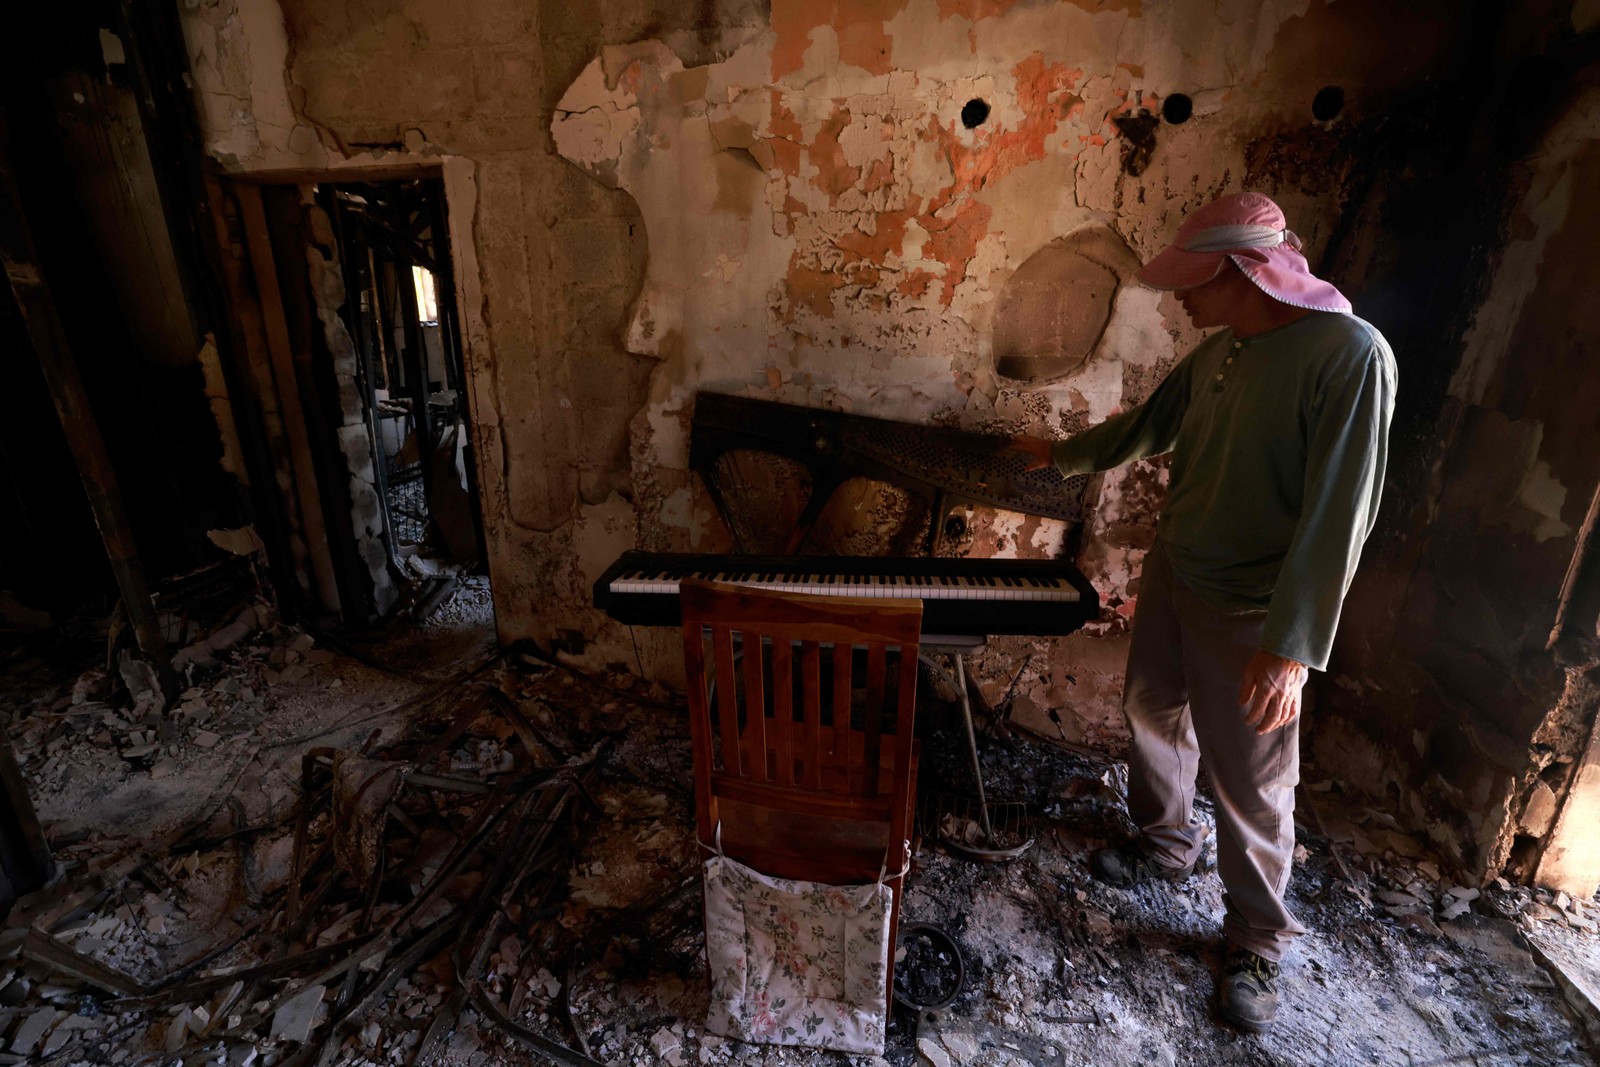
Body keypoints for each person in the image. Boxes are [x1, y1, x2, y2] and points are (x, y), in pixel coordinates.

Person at [1011, 191, 1396, 1033]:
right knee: (1152, 708)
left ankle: (1257, 937)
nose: (1181, 299)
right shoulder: (1224, 350)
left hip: (1256, 609)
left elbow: (1341, 515)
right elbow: (1151, 427)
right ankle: (1163, 841)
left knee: (1253, 777)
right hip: (1182, 571)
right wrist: (1060, 456)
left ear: (1240, 271)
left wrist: (1292, 647)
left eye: (1193, 282)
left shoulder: (1349, 356)